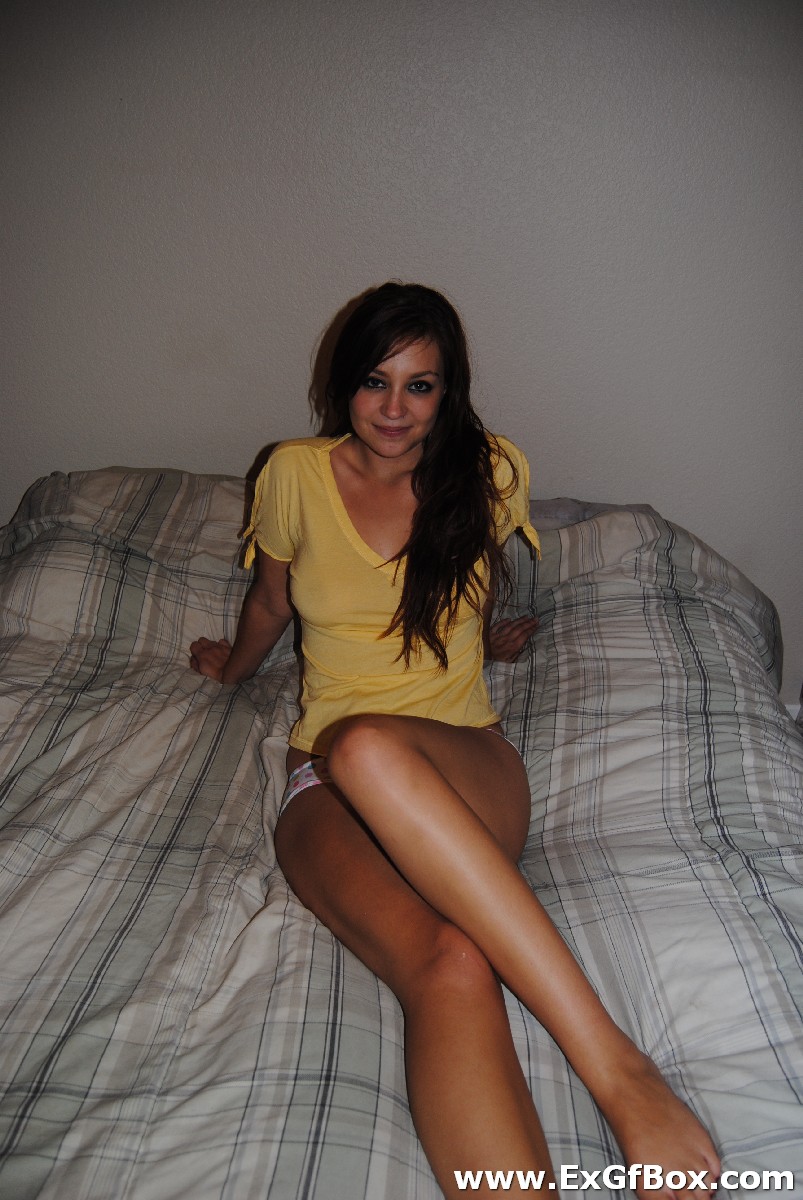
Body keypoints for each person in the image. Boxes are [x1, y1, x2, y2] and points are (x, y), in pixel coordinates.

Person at [190, 282, 720, 1199]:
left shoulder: (491, 471)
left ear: (449, 390)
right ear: (341, 385)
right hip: (324, 781)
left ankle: (618, 1070)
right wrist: (233, 670)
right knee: (451, 962)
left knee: (367, 746)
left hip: (464, 756)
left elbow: (464, 587)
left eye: (420, 385)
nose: (394, 409)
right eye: (375, 382)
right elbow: (272, 601)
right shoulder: (290, 474)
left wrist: (482, 642)